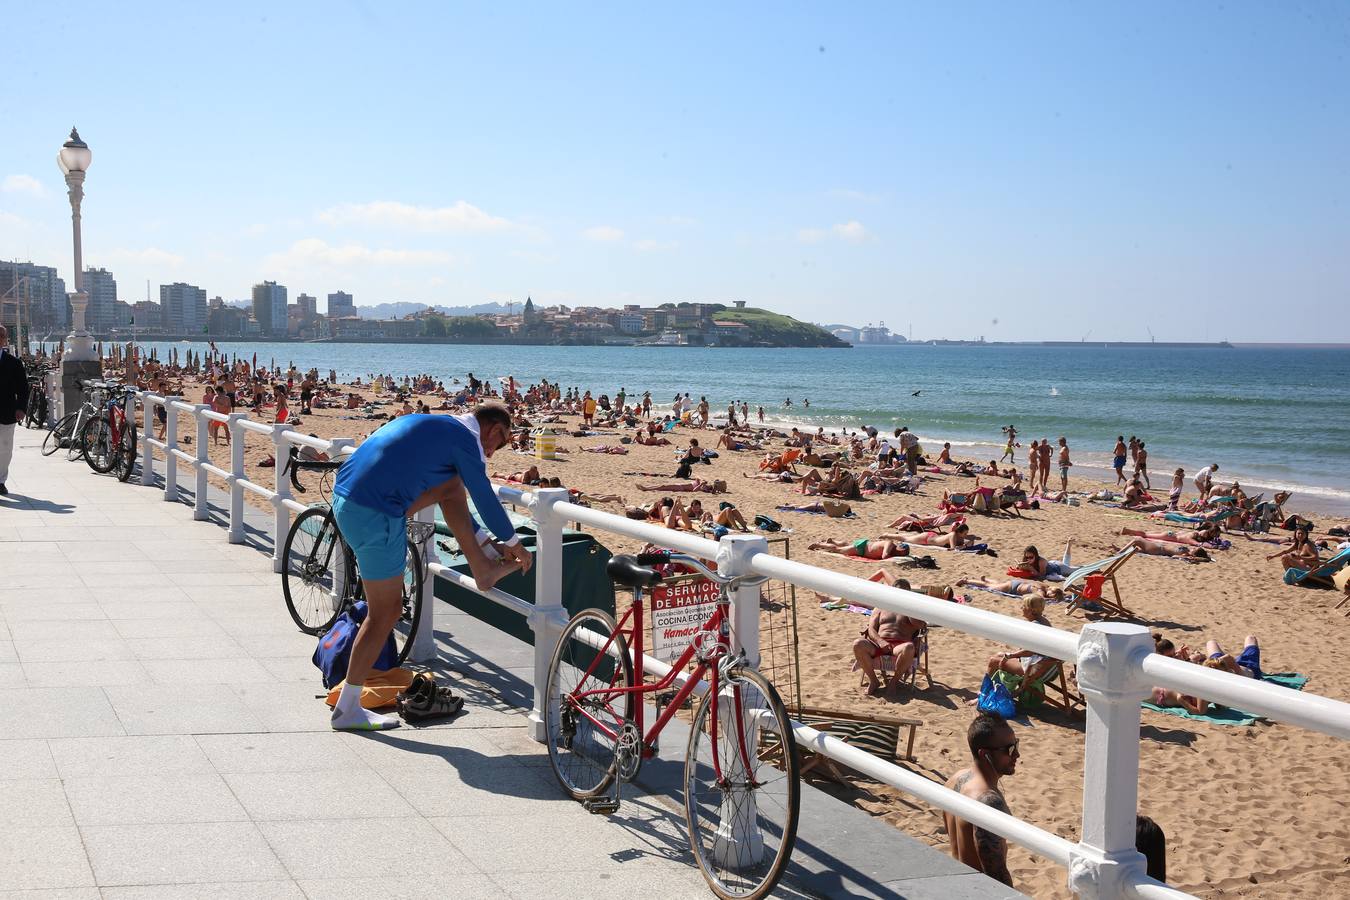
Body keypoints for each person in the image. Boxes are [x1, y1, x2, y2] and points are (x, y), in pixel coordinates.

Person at [328, 405, 531, 730]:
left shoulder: (437, 424)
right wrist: (514, 543)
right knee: (385, 613)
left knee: (451, 488)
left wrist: (482, 540)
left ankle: (482, 565)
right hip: (375, 515)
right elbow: (483, 495)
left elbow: (455, 495)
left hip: (347, 500)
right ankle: (347, 709)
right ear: (493, 430)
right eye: (501, 443)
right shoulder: (466, 440)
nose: (493, 453)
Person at [943, 713, 1018, 886]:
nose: (1017, 755)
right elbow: (995, 876)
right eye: (1010, 749)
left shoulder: (955, 779)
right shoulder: (989, 801)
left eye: (1016, 744)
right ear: (985, 754)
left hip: (958, 884)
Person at [852, 577, 926, 697]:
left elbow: (920, 625)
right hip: (878, 644)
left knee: (909, 647)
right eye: (898, 591)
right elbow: (871, 628)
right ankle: (874, 681)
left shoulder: (913, 609)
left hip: (900, 646)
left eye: (904, 592)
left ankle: (894, 682)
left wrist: (909, 608)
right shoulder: (881, 607)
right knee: (857, 644)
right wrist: (880, 641)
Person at [0, 325, 26, 496]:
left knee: (5, 449)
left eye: (1, 335)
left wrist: (21, 408)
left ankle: (0, 480)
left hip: (7, 412)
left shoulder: (14, 363)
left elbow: (23, 388)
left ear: (5, 339)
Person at [808, 537, 909, 560]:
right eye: (901, 553)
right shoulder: (890, 544)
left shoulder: (892, 547)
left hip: (863, 547)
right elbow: (884, 556)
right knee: (838, 550)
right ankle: (818, 545)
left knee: (846, 545)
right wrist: (894, 557)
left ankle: (833, 541)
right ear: (900, 548)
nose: (900, 555)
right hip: (862, 548)